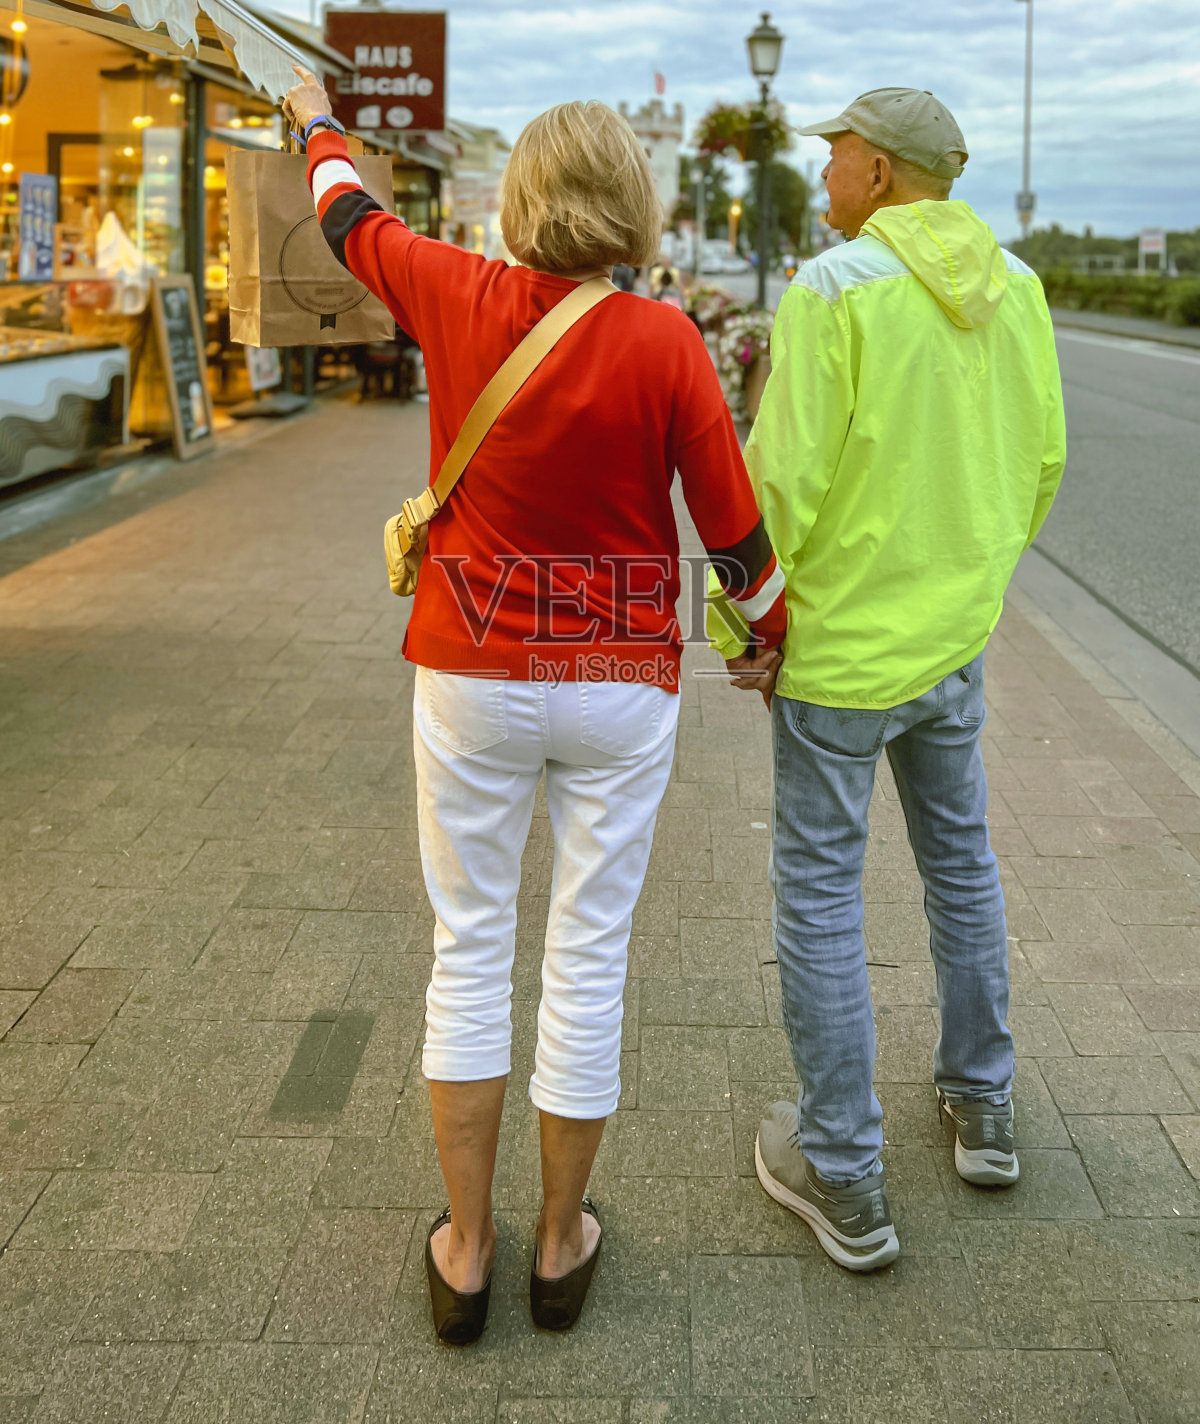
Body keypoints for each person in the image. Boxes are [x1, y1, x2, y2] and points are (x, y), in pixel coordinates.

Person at [283, 69, 786, 1339]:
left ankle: (465, 1249)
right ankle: (562, 1245)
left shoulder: (453, 291)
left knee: (468, 945)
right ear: (634, 203)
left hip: (473, 665)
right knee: (588, 952)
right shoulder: (667, 339)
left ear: (516, 202)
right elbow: (733, 532)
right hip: (620, 684)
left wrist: (314, 119)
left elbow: (346, 217)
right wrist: (764, 638)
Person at [709, 87, 1066, 1271]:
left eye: (836, 157)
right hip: (950, 644)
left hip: (840, 658)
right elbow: (1041, 463)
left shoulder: (833, 290)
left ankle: (844, 1172)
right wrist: (972, 588)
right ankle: (984, 1107)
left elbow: (781, 481)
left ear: (879, 169)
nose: (825, 177)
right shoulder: (1017, 289)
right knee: (961, 865)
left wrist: (739, 623)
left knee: (820, 896)